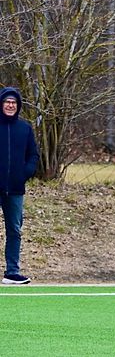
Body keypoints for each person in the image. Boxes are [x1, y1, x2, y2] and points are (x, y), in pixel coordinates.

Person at [0, 87, 39, 285]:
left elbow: (33, 155)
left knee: (14, 230)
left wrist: (24, 173)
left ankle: (12, 272)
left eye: (14, 102)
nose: (10, 105)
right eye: (7, 101)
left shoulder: (25, 129)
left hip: (15, 190)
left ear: (18, 106)